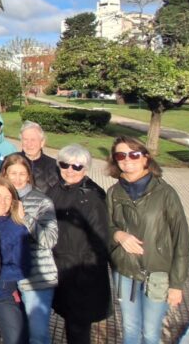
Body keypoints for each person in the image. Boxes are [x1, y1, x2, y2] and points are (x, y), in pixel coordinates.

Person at [106, 136, 189, 344]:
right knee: (130, 328)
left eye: (133, 154)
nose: (127, 159)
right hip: (125, 273)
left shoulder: (165, 193)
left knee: (151, 333)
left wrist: (177, 284)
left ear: (145, 158)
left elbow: (182, 240)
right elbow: (105, 227)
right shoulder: (114, 193)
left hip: (157, 276)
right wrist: (118, 235)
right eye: (121, 155)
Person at [47, 144, 110, 344]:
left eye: (77, 167)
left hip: (80, 276)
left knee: (78, 330)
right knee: (69, 323)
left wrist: (83, 275)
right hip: (61, 271)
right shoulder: (56, 188)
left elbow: (100, 242)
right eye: (65, 165)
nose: (70, 171)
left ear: (86, 169)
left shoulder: (92, 196)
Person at [1, 155, 58, 344]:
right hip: (8, 278)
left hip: (37, 279)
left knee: (37, 335)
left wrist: (26, 218)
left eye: (22, 174)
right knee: (14, 336)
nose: (17, 179)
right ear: (5, 175)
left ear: (28, 176)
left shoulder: (42, 201)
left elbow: (50, 240)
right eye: (12, 174)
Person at [0, 178, 29, 344]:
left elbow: (23, 268)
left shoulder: (17, 227)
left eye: (8, 197)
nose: (3, 201)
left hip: (2, 291)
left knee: (17, 337)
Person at [17, 121, 58, 193]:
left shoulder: (54, 166)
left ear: (42, 142)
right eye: (25, 139)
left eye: (33, 140)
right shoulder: (11, 160)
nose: (29, 144)